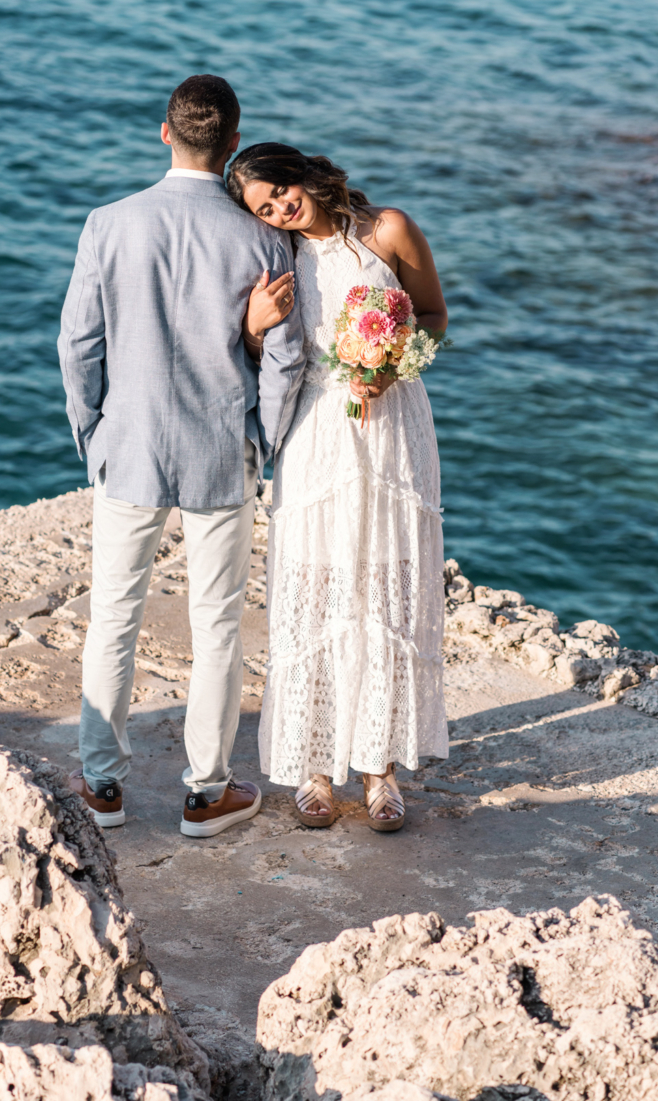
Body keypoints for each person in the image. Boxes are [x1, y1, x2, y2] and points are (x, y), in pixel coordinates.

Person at [58, 79, 306, 838]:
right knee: (218, 625)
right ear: (232, 144)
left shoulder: (108, 222)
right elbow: (285, 357)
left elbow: (78, 344)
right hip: (217, 446)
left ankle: (102, 788)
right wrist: (264, 441)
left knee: (113, 617)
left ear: (164, 132)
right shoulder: (262, 238)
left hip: (126, 444)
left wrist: (90, 433)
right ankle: (206, 793)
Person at [226, 142, 448, 831]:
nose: (280, 209)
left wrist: (396, 364)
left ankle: (380, 771)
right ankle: (315, 767)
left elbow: (434, 316)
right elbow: (263, 352)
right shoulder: (275, 256)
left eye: (281, 190)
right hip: (316, 427)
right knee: (316, 586)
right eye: (264, 208)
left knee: (386, 583)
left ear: (303, 173)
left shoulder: (389, 229)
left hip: (392, 423)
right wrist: (255, 330)